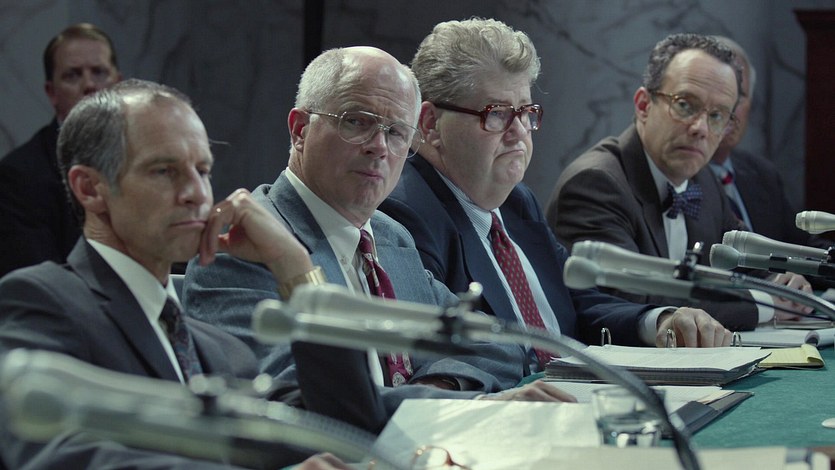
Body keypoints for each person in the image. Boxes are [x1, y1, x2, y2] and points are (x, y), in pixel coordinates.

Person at [184, 46, 575, 407]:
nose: (380, 146)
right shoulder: (245, 246)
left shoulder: (390, 237)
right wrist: (455, 407)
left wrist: (438, 387)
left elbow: (495, 344)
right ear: (300, 130)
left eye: (397, 132)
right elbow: (302, 402)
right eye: (357, 122)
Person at [0, 79, 356, 469]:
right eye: (165, 171)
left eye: (202, 170)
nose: (198, 193)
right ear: (90, 188)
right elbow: (57, 455)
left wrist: (295, 265)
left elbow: (344, 427)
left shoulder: (221, 351)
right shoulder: (40, 300)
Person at [378, 18, 730, 375]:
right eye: (496, 114)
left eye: (525, 113)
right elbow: (452, 356)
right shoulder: (405, 215)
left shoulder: (517, 202)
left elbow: (576, 300)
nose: (519, 132)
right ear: (430, 124)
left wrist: (659, 321)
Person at [546, 33, 812, 332]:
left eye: (717, 116)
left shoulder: (703, 179)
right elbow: (635, 301)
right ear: (643, 105)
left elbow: (746, 263)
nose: (701, 128)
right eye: (685, 105)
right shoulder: (595, 183)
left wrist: (782, 282)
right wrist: (769, 304)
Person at [0, 23, 122, 278]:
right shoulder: (19, 177)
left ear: (118, 84)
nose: (89, 85)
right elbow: (35, 283)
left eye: (99, 72)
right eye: (73, 75)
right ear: (52, 92)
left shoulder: (145, 159)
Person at [709, 36, 831, 249]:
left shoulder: (762, 174)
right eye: (720, 95)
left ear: (751, 103)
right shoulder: (679, 178)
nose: (730, 109)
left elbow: (803, 247)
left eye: (740, 95)